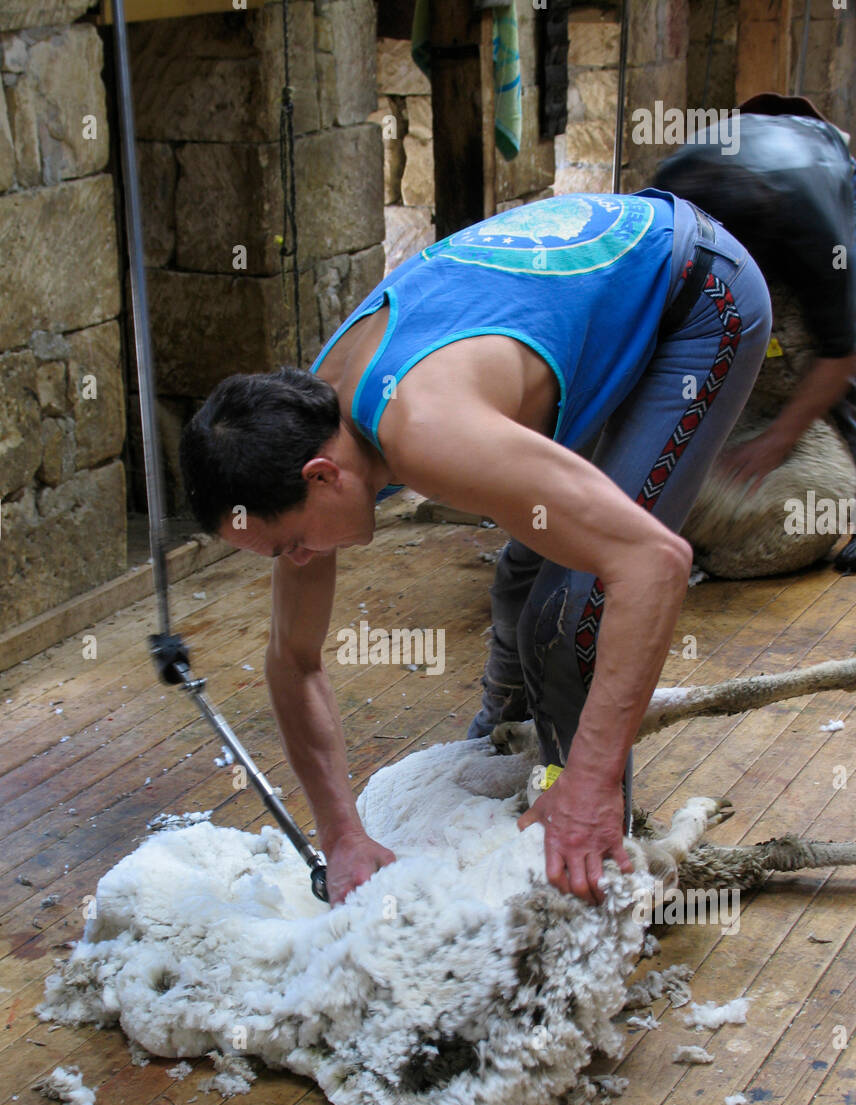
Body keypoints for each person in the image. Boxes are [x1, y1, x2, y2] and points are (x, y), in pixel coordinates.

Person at [180, 189, 771, 906]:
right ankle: (511, 747)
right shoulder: (306, 420)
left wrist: (588, 779)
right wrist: (340, 835)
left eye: (292, 546)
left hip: (696, 294)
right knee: (526, 578)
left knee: (569, 613)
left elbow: (655, 564)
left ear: (323, 476)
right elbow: (294, 659)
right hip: (583, 309)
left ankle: (591, 838)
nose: (299, 563)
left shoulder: (424, 430)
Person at [654, 94, 856, 572]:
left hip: (822, 164)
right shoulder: (670, 199)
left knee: (832, 336)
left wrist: (778, 439)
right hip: (744, 151)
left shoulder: (816, 233)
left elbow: (840, 356)